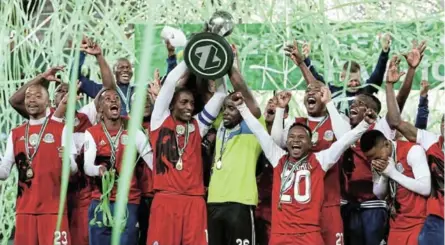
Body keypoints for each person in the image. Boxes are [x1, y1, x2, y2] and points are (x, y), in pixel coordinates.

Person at [230, 91, 374, 245]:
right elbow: (259, 132)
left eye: (301, 137)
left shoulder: (320, 160)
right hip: (281, 234)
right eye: (291, 137)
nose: (295, 140)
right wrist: (241, 107)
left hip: (309, 234)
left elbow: (343, 142)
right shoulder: (278, 158)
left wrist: (365, 124)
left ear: (311, 143)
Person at [147, 61, 226, 245]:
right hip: (166, 200)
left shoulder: (199, 125)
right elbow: (171, 81)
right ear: (172, 104)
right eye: (183, 102)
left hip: (194, 202)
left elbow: (221, 94)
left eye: (191, 103)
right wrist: (191, 56)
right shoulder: (159, 120)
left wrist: (222, 64)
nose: (189, 107)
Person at [271, 82, 351, 245]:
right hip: (301, 211)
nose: (311, 93)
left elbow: (346, 139)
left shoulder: (337, 120)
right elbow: (276, 142)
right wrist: (280, 109)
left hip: (329, 203)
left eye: (317, 91)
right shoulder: (297, 122)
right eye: (307, 91)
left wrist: (330, 103)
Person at [0, 83, 78, 245]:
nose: (32, 100)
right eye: (28, 96)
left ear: (48, 103)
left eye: (37, 96)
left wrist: (67, 161)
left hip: (53, 210)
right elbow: (4, 172)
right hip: (24, 210)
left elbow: (73, 169)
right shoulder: (16, 133)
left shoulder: (62, 129)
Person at [84, 88, 153, 245]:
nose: (114, 100)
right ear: (100, 108)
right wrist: (98, 170)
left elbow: (153, 163)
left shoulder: (134, 131)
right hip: (101, 203)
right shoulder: (92, 132)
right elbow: (88, 166)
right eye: (108, 99)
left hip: (129, 201)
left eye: (116, 98)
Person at [206, 60, 263, 245]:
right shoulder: (221, 124)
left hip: (240, 202)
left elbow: (243, 92)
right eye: (224, 109)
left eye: (231, 108)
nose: (226, 113)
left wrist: (227, 61)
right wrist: (212, 58)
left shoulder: (254, 126)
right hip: (214, 201)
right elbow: (212, 94)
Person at [385, 70, 444, 245]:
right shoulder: (432, 142)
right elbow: (396, 122)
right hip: (439, 218)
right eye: (444, 121)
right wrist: (389, 86)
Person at [360, 129, 430, 245]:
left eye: (375, 156)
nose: (374, 161)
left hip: (418, 223)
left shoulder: (413, 151)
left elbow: (426, 188)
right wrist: (384, 175)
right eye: (369, 158)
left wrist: (393, 173)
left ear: (387, 144)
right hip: (396, 224)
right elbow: (380, 194)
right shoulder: (377, 160)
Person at [284, 34, 391, 101]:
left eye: (357, 81)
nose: (354, 84)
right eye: (351, 80)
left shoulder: (365, 91)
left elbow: (378, 74)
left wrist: (384, 52)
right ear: (342, 77)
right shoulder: (333, 92)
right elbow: (315, 80)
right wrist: (306, 59)